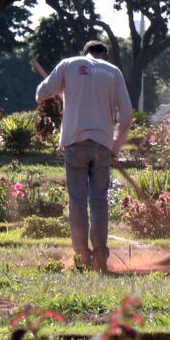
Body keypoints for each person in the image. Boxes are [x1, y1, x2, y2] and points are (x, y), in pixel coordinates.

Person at [35, 40, 133, 273]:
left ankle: (81, 256)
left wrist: (59, 92)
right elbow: (127, 114)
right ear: (105, 55)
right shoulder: (113, 72)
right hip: (101, 144)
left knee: (77, 200)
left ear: (85, 52)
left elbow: (41, 94)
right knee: (98, 200)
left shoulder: (69, 64)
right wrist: (116, 146)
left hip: (75, 142)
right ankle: (100, 256)